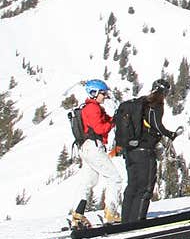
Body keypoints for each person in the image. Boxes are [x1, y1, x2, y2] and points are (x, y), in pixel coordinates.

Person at [121, 78, 183, 224]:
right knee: (146, 187)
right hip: (144, 150)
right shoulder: (155, 104)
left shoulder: (140, 103)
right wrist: (170, 134)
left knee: (132, 186)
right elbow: (156, 124)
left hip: (130, 151)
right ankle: (137, 221)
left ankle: (126, 221)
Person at [68, 79, 125, 227]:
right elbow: (100, 128)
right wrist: (113, 123)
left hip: (86, 148)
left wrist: (113, 119)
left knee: (89, 181)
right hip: (93, 147)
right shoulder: (92, 108)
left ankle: (78, 214)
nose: (105, 96)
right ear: (94, 93)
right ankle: (111, 212)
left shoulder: (91, 107)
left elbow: (105, 122)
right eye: (103, 93)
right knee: (114, 178)